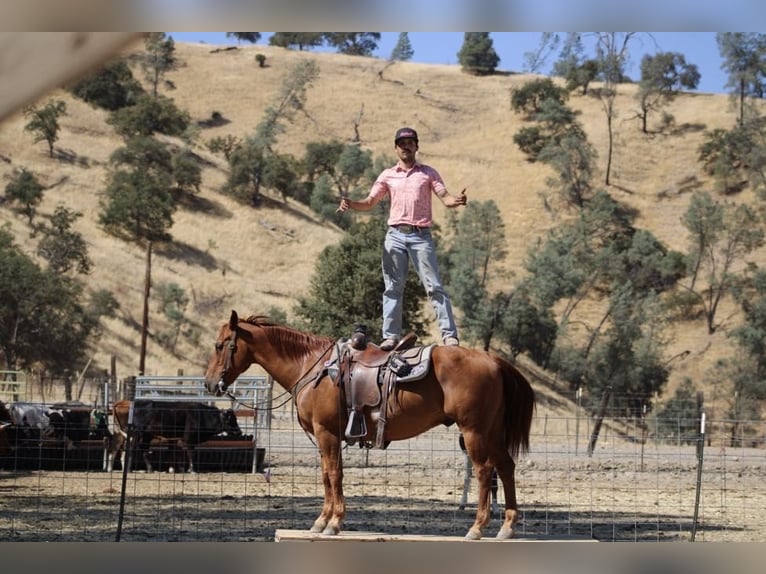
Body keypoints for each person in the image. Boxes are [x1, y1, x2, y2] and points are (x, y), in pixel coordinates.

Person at [337, 126, 467, 350]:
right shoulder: (388, 175)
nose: (406, 147)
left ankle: (449, 336)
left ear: (416, 146)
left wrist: (457, 200)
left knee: (434, 286)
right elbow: (369, 202)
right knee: (392, 288)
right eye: (401, 143)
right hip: (395, 236)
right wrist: (351, 203)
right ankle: (390, 337)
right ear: (396, 149)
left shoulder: (428, 173)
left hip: (421, 236)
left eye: (410, 142)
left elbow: (445, 197)